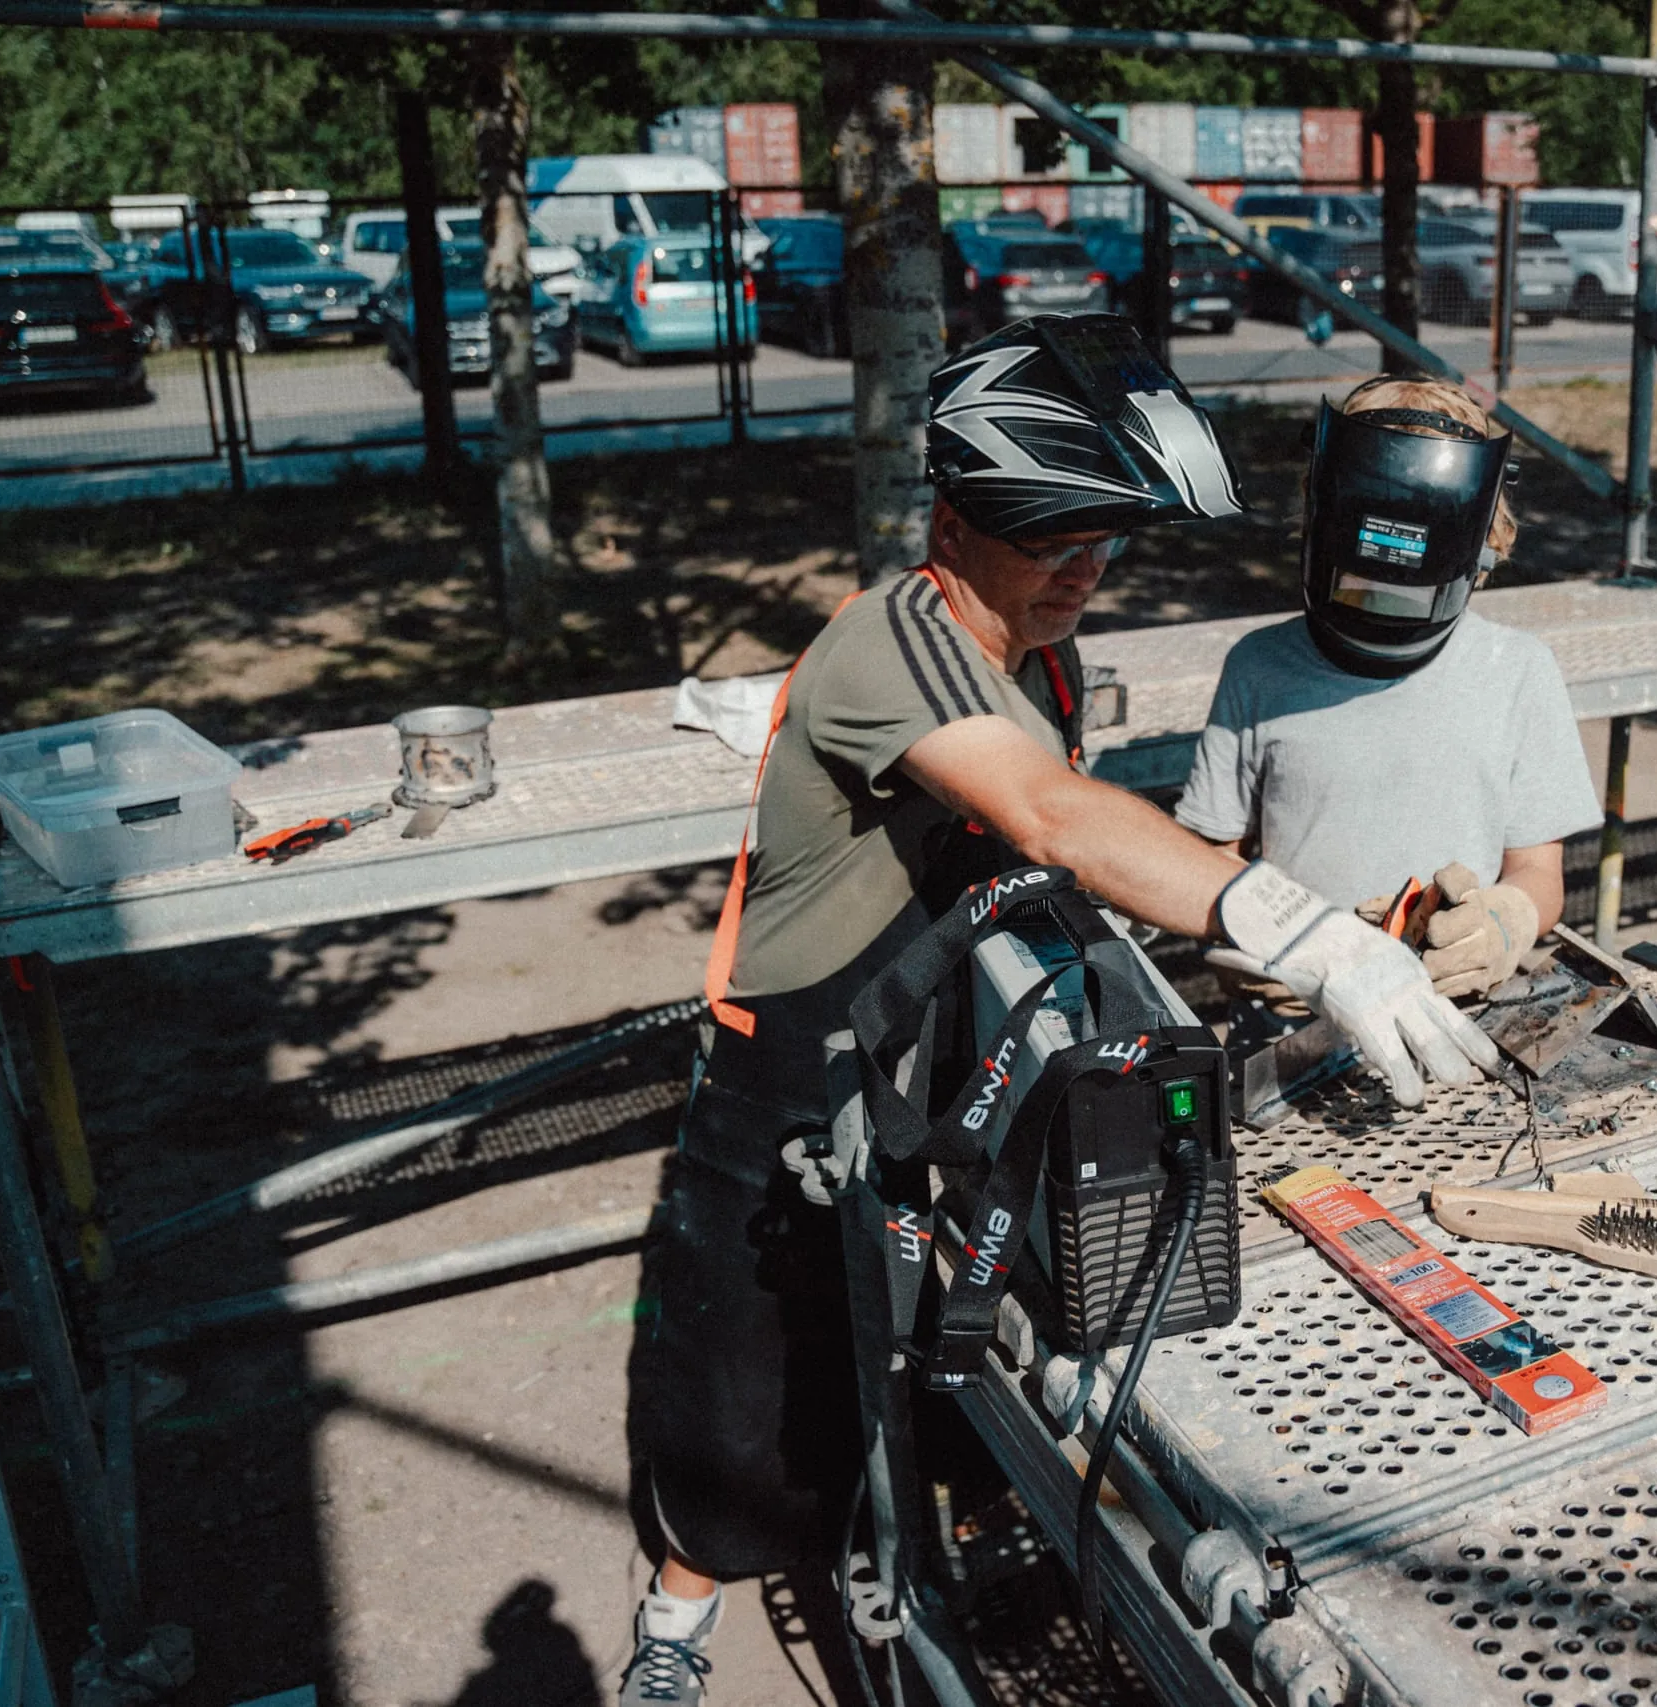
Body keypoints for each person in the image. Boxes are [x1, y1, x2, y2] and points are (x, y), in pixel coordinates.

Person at [616, 315, 1499, 1706]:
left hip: (937, 1046)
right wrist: (1303, 929)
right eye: (1053, 543)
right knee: (746, 1391)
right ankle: (675, 1624)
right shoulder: (893, 642)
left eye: (1104, 543)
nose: (1084, 572)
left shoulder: (1039, 654)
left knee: (951, 1358)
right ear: (953, 523)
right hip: (793, 1068)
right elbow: (1049, 812)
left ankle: (932, 1557)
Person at [1174, 377, 1601, 1003]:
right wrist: (1259, 938)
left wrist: (1502, 924)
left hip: (1455, 1009)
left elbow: (1538, 873)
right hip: (1302, 1011)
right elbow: (1214, 858)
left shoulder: (1518, 670)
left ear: (1481, 538)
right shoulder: (1260, 667)